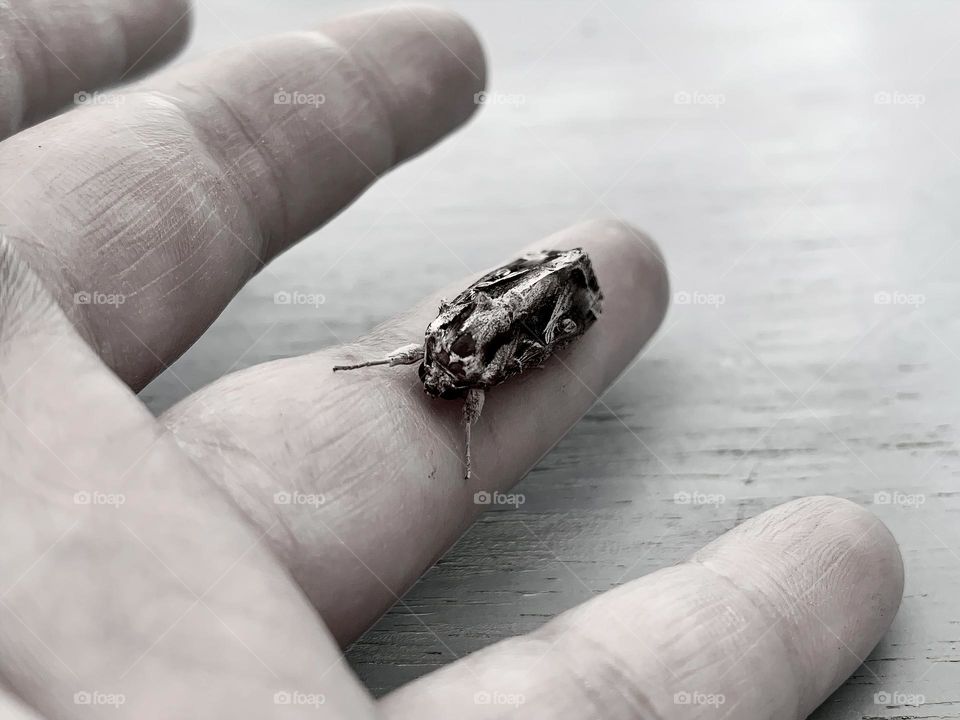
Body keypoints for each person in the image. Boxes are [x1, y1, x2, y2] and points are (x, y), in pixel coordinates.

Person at [0, 2, 903, 717]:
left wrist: (462, 404)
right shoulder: (441, 360)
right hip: (511, 311)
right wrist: (431, 392)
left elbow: (485, 355)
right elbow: (446, 356)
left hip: (533, 304)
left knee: (527, 319)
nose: (432, 386)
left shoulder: (457, 362)